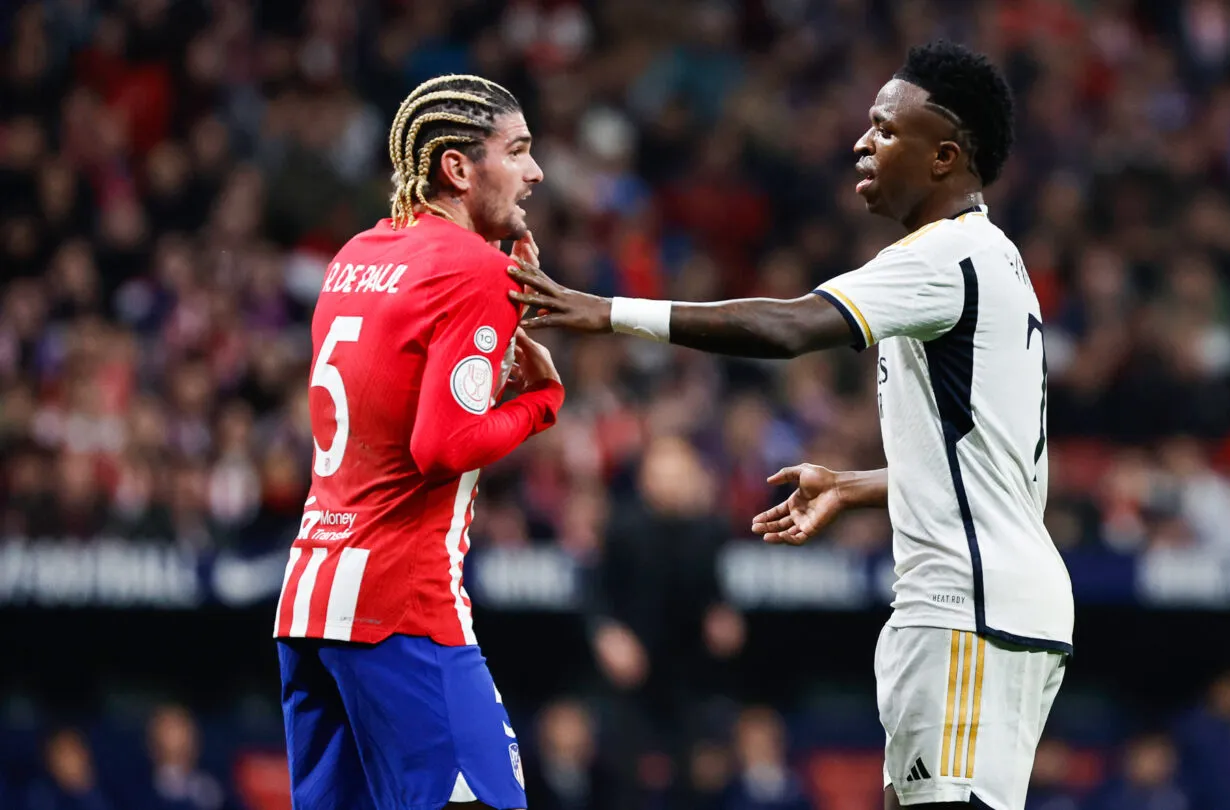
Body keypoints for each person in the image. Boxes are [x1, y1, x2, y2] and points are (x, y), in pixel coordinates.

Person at [508, 42, 1073, 810]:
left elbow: (785, 327)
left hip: (966, 607)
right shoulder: (994, 259)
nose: (861, 142)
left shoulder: (945, 257)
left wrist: (607, 312)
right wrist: (855, 484)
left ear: (944, 156)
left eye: (884, 128)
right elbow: (985, 467)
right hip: (1002, 600)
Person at [274, 74, 562, 810]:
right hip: (401, 608)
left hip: (310, 602)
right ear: (458, 168)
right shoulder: (473, 269)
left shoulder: (356, 254)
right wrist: (539, 404)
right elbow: (443, 443)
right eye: (519, 151)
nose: (536, 173)